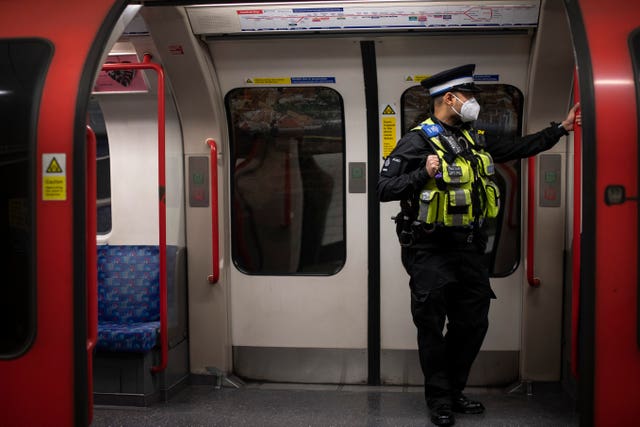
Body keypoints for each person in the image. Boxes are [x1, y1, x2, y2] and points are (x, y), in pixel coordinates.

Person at [377, 64, 580, 426]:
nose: (473, 103)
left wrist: (560, 130)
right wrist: (421, 172)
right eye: (468, 96)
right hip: (430, 251)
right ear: (450, 99)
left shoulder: (473, 138)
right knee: (431, 325)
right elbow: (384, 189)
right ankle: (439, 400)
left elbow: (517, 147)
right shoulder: (416, 141)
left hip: (470, 250)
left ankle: (454, 390)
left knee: (473, 324)